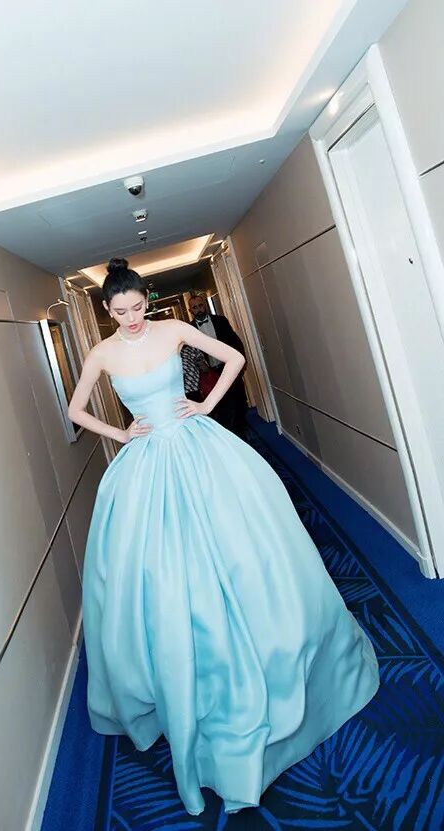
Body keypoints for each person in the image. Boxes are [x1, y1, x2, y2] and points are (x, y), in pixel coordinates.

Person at [68, 258, 379, 817]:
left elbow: (233, 358)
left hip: (198, 444)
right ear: (107, 311)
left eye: (137, 307)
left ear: (146, 300)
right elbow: (75, 408)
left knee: (246, 545)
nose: (131, 318)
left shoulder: (173, 329)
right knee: (157, 570)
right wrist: (120, 432)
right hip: (146, 462)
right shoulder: (102, 354)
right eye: (119, 311)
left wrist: (205, 406)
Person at [188, 294, 249, 437]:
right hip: (209, 373)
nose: (199, 309)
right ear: (190, 311)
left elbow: (235, 342)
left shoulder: (220, 321)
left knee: (239, 401)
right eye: (195, 307)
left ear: (205, 305)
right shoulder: (189, 329)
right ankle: (227, 436)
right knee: (220, 406)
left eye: (200, 305)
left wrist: (241, 364)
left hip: (228, 368)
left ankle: (242, 434)